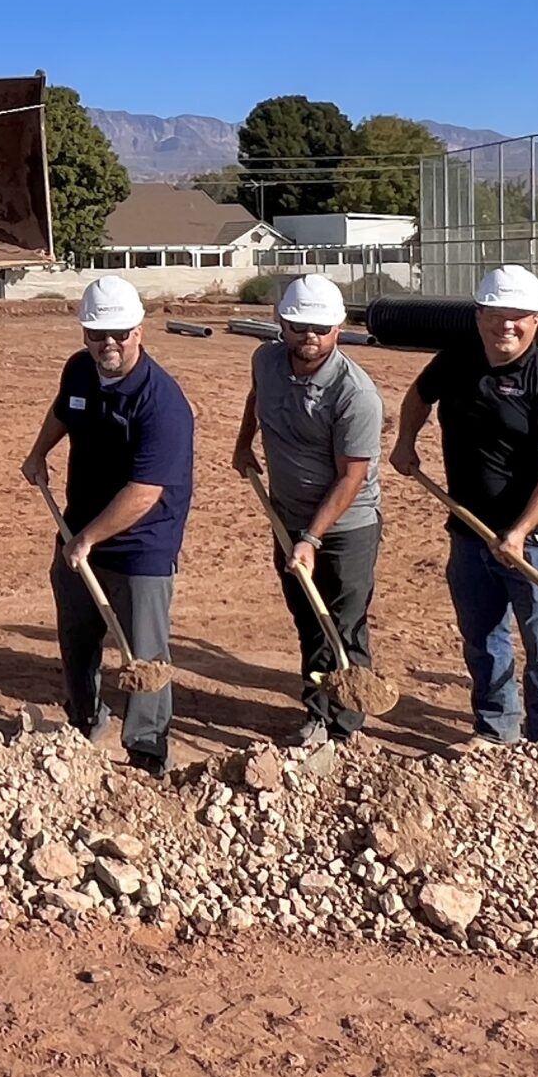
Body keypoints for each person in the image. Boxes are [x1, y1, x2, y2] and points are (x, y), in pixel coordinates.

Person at [389, 264, 538, 744]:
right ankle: (497, 729)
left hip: (535, 541)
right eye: (496, 315)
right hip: (470, 532)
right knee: (483, 639)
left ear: (537, 321)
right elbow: (418, 396)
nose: (507, 326)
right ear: (479, 317)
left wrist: (519, 531)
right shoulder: (456, 360)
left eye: (519, 316)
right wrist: (405, 441)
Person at [21, 274, 191, 773]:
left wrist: (89, 538)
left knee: (144, 655)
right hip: (78, 530)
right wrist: (38, 453)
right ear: (84, 334)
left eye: (119, 333)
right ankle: (83, 723)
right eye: (98, 334)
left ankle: (145, 749)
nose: (109, 343)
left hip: (142, 543)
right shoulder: (79, 370)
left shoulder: (162, 403)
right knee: (77, 636)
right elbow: (64, 411)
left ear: (139, 330)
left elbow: (145, 492)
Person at [232, 274, 383, 745]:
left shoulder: (355, 395)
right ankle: (317, 710)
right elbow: (257, 396)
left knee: (343, 623)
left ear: (338, 328)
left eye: (319, 327)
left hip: (346, 528)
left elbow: (351, 477)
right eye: (298, 326)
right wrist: (243, 444)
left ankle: (344, 724)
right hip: (287, 517)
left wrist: (312, 538)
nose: (308, 336)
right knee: (308, 620)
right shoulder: (267, 360)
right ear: (282, 323)